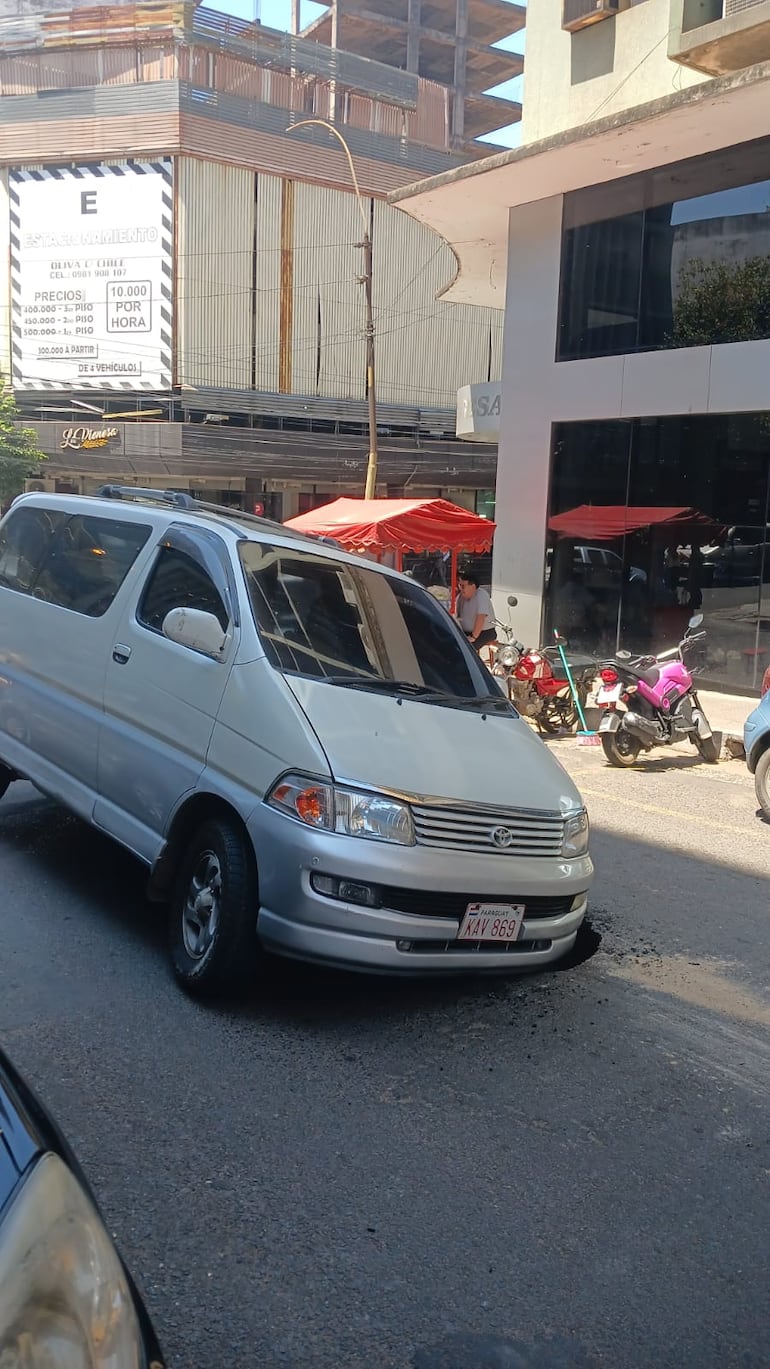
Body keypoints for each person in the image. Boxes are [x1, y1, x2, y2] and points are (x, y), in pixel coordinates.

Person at [456, 570, 497, 653]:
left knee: (464, 649)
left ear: (473, 586)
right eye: (459, 585)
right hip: (466, 632)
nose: (461, 589)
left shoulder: (481, 595)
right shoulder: (460, 597)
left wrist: (473, 636)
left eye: (463, 586)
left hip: (483, 632)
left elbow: (481, 617)